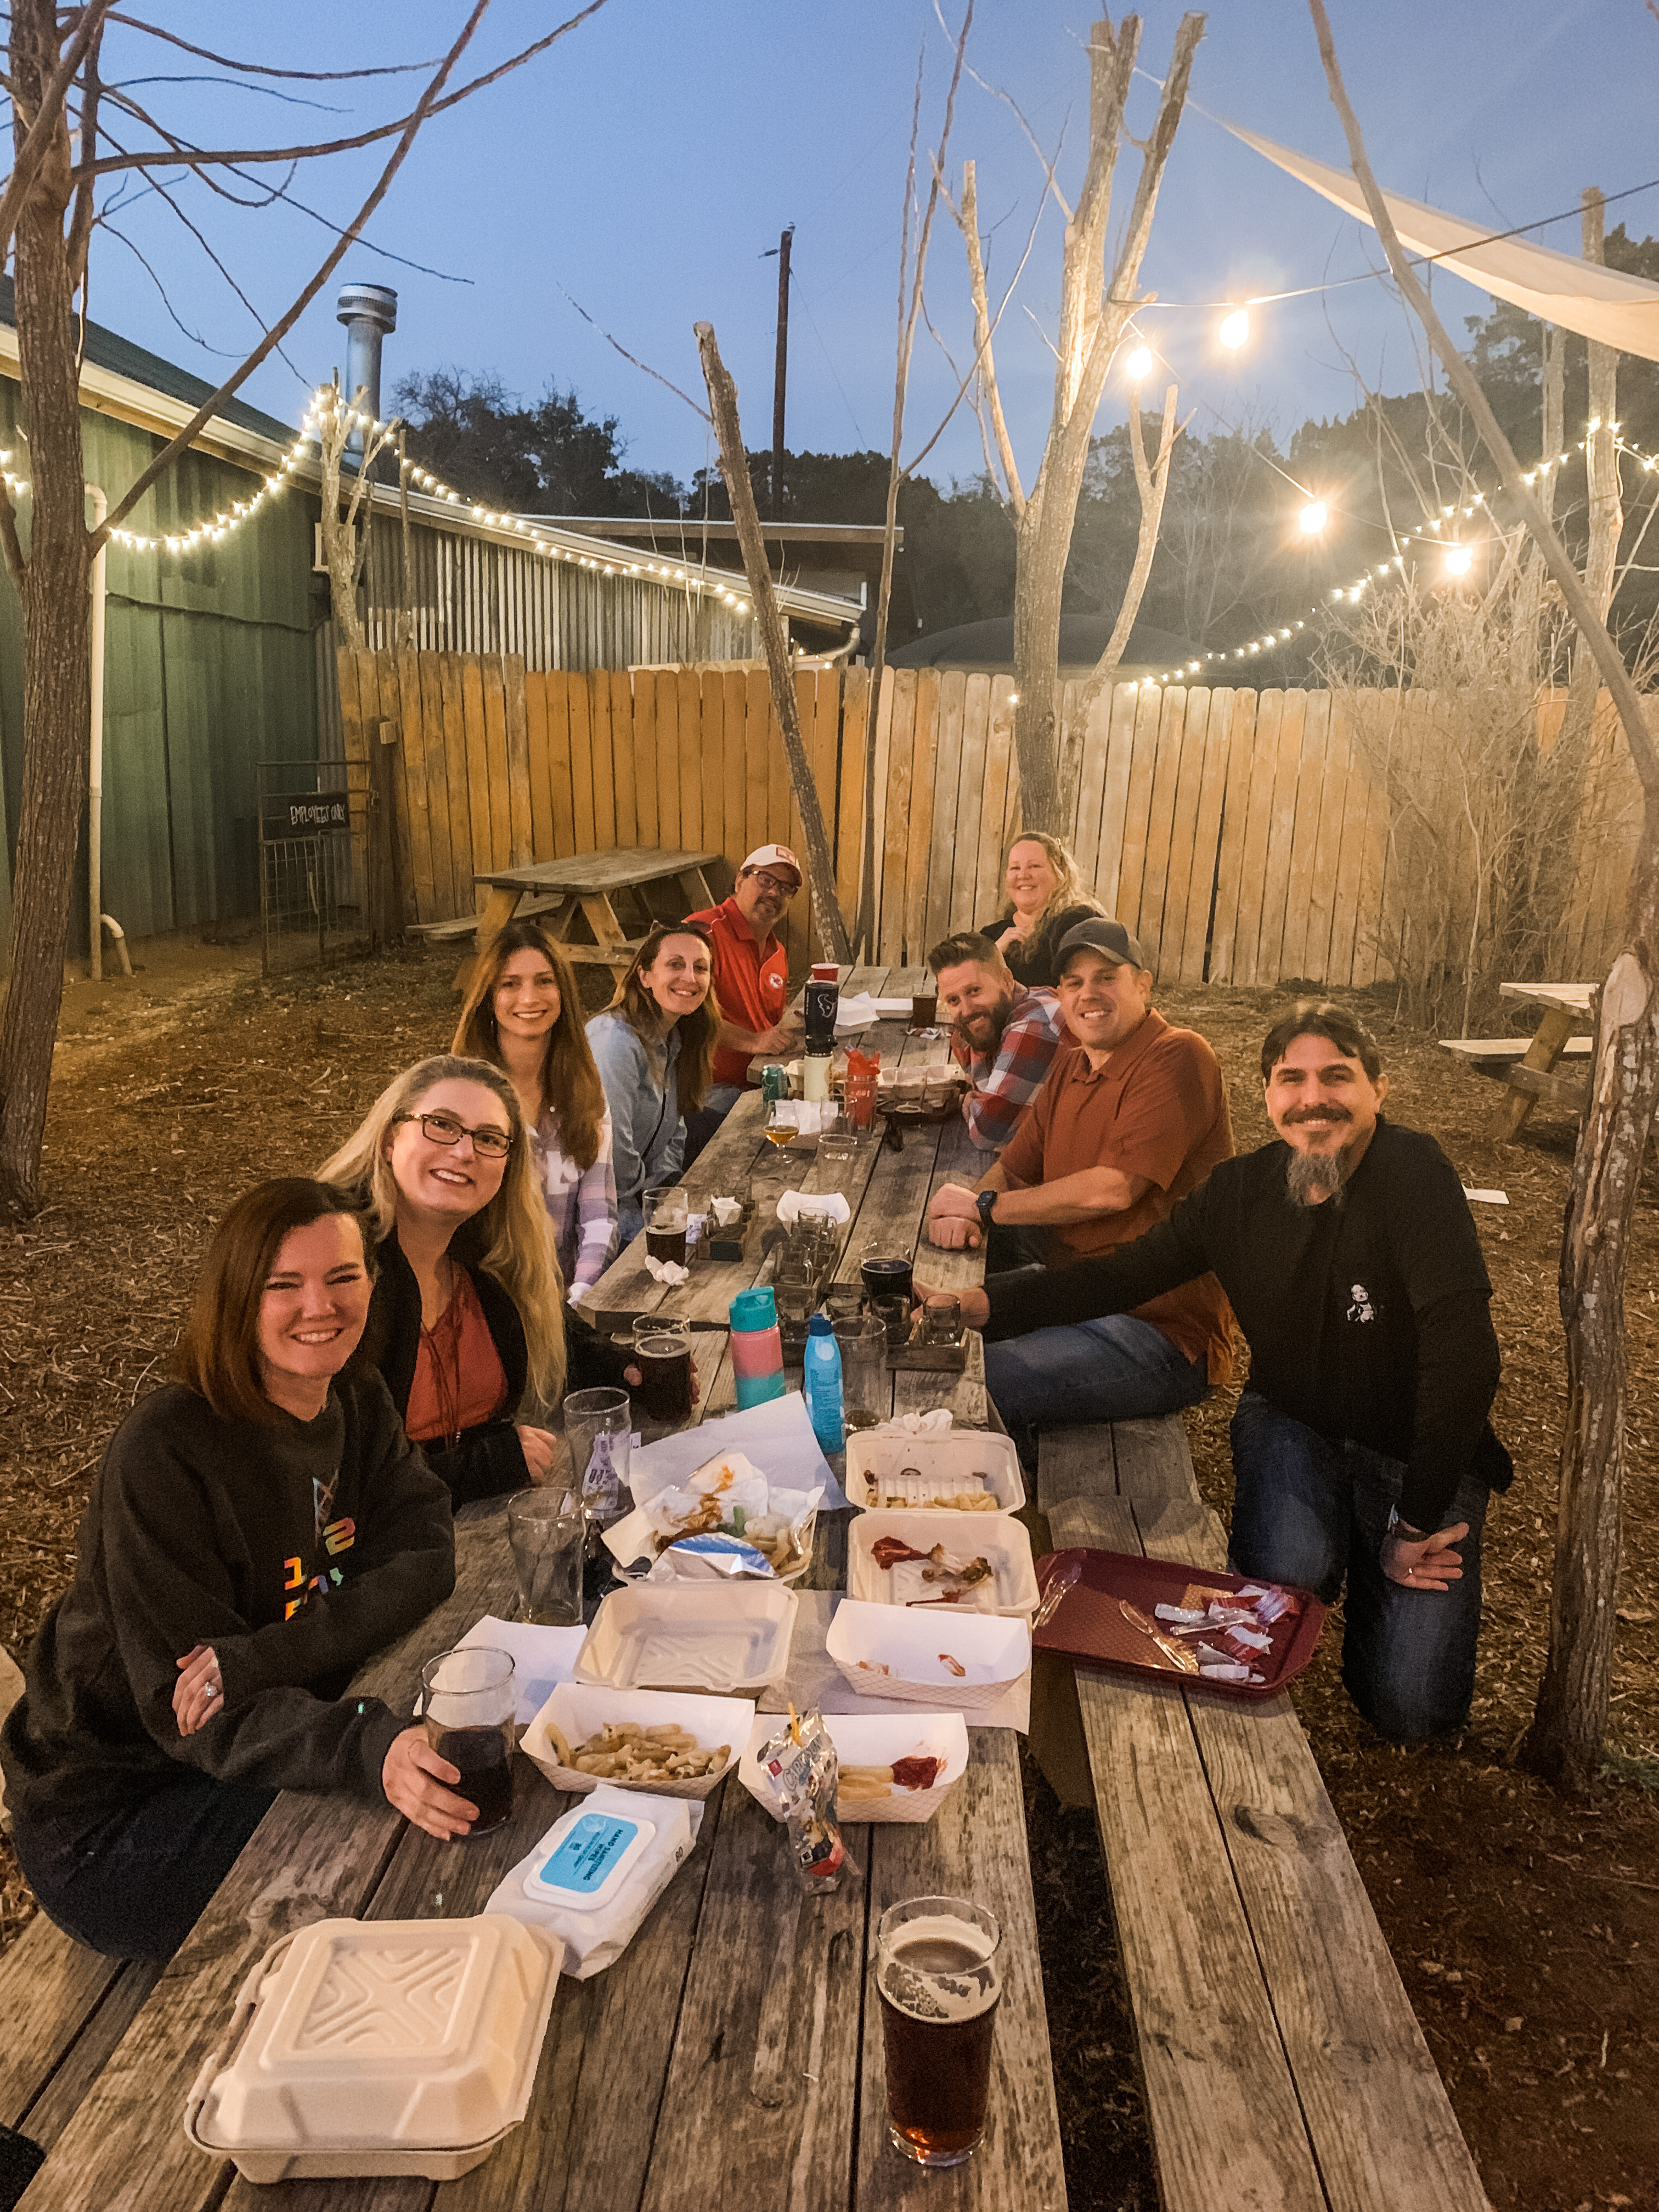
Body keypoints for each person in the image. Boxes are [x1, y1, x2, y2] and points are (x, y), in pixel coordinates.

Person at [940, 1002, 1512, 1744]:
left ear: (1379, 1088)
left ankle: (1375, 1545)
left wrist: (1416, 1523)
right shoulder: (1239, 1193)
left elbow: (1466, 1358)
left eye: (1337, 1077)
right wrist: (982, 1305)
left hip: (1416, 1445)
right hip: (1296, 1421)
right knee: (1282, 1586)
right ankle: (1337, 1540)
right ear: (1268, 1094)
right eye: (1292, 1079)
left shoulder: (1412, 1174)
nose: (1313, 1098)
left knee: (1411, 1713)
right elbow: (1118, 1278)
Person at [0, 1179, 471, 1961]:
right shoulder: (166, 1453)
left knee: (465, 1776)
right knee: (412, 1842)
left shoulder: (354, 1395)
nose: (319, 1307)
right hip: (117, 1817)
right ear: (237, 1298)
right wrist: (364, 1743)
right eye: (283, 1285)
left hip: (269, 1725)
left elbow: (427, 1555)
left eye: (342, 1277)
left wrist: (264, 1658)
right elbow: (196, 1714)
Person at [924, 918, 1234, 1458]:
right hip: (1070, 1293)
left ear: (1144, 985)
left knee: (957, 1383)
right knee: (920, 1336)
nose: (1088, 993)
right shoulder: (1071, 1066)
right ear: (1060, 995)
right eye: (1074, 982)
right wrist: (969, 1214)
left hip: (1160, 1331)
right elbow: (1013, 1170)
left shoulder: (1179, 1055)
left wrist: (986, 1208)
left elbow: (1115, 1189)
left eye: (1106, 977)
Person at [320, 1055, 633, 1505]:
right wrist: (481, 1466)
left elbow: (552, 1330)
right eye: (441, 1125)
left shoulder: (484, 1255)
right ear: (390, 1140)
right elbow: (323, 1480)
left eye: (488, 1138)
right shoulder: (336, 1269)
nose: (464, 1152)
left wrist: (627, 1370)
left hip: (475, 1528)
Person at [452, 919, 618, 1304]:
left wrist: (580, 1295)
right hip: (486, 1300)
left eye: (544, 981)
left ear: (563, 993)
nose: (529, 998)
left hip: (567, 1297)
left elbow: (599, 1217)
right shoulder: (464, 1097)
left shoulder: (584, 1090)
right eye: (510, 984)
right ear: (488, 997)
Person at [586, 922, 719, 1245]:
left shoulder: (675, 1037)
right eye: (675, 964)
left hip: (641, 1194)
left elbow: (677, 1129)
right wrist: (650, 1203)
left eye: (700, 968)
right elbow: (613, 1151)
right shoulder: (615, 1042)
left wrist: (666, 1188)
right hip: (599, 1209)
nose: (690, 977)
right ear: (645, 976)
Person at [682, 844, 805, 1163]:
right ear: (740, 881)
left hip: (760, 1082)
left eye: (786, 888)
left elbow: (769, 1024)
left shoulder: (777, 952)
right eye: (765, 880)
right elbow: (682, 1013)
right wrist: (753, 1041)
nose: (774, 892)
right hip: (708, 1091)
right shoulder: (703, 933)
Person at [928, 929, 1070, 1154]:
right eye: (953, 1000)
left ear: (1007, 980)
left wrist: (968, 1102)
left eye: (974, 991)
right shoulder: (999, 1019)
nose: (967, 1010)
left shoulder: (1036, 1026)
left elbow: (988, 1133)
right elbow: (963, 1045)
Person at [977, 832, 1104, 989]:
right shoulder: (990, 937)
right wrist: (994, 954)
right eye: (1015, 868)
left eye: (1034, 866)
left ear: (1060, 874)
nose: (1023, 875)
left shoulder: (1079, 923)